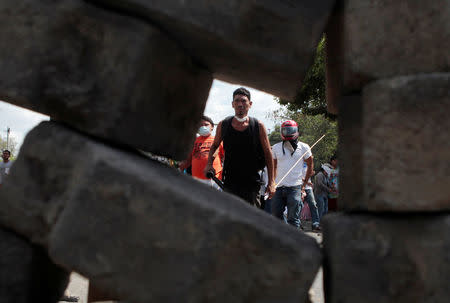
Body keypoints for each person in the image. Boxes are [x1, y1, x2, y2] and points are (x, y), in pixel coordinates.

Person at [204, 87, 275, 205]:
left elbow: (268, 153)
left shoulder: (258, 126)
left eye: (243, 101)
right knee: (230, 215)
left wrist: (272, 182)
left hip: (252, 182)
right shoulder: (224, 124)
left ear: (250, 104)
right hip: (230, 180)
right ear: (232, 104)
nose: (240, 104)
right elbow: (215, 146)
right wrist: (209, 164)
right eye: (237, 101)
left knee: (251, 216)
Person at [271, 120, 314, 229]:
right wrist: (272, 183)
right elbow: (273, 167)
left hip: (295, 187)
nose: (288, 132)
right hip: (278, 187)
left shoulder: (304, 147)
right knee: (276, 216)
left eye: (291, 130)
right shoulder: (275, 147)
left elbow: (310, 165)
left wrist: (304, 186)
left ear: (297, 131)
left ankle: (295, 242)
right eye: (285, 130)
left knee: (293, 218)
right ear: (281, 132)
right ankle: (284, 236)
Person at [179, 116, 224, 188]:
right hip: (197, 179)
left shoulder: (218, 141)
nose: (203, 127)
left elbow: (224, 157)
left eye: (206, 124)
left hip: (215, 179)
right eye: (200, 125)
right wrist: (179, 168)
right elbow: (188, 160)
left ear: (212, 127)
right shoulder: (193, 141)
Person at [302, 162, 321, 231]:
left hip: (308, 188)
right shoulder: (297, 160)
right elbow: (296, 175)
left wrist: (312, 173)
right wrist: (306, 181)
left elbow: (310, 173)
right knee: (298, 205)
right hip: (299, 187)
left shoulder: (308, 163)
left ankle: (315, 224)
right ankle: (297, 224)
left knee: (313, 205)